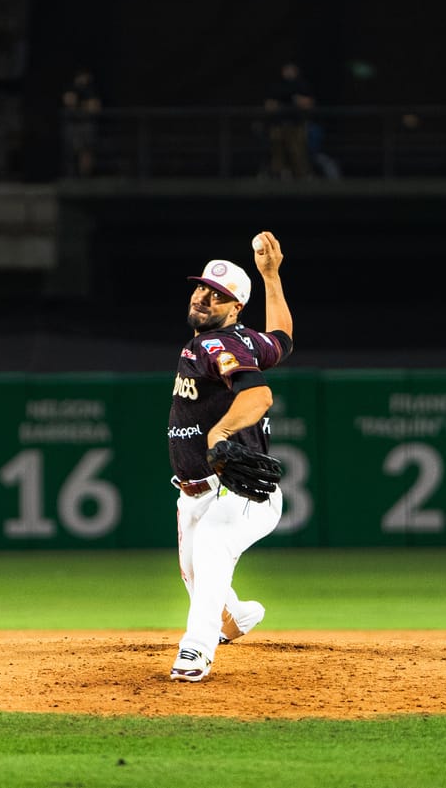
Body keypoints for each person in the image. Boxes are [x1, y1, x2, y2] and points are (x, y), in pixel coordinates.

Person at [167, 231, 294, 682]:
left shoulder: (216, 344)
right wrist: (271, 277)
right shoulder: (245, 339)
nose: (203, 297)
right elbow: (281, 338)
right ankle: (237, 618)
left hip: (235, 488)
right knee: (196, 574)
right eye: (201, 287)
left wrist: (220, 431)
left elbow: (259, 396)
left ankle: (195, 651)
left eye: (217, 295)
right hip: (196, 490)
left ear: (234, 307)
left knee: (212, 547)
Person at [264, 62, 315, 180]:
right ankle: (278, 176)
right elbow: (268, 105)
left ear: (296, 72)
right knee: (277, 153)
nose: (288, 72)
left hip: (296, 125)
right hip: (278, 124)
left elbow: (309, 103)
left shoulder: (302, 85)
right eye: (286, 70)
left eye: (291, 70)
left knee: (297, 152)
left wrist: (297, 100)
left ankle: (302, 177)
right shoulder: (276, 86)